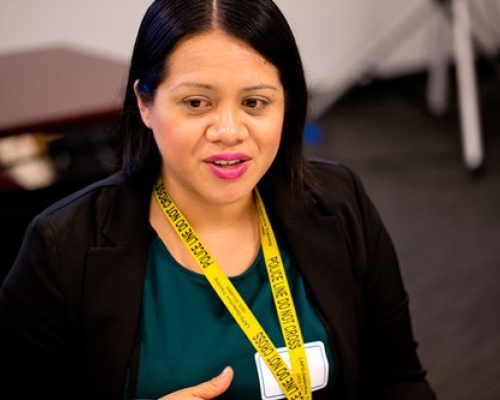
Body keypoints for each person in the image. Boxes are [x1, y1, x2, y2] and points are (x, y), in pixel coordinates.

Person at [0, 0, 436, 399]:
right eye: (196, 102)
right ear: (145, 103)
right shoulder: (63, 246)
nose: (229, 131)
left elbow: (400, 380)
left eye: (254, 102)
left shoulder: (340, 203)